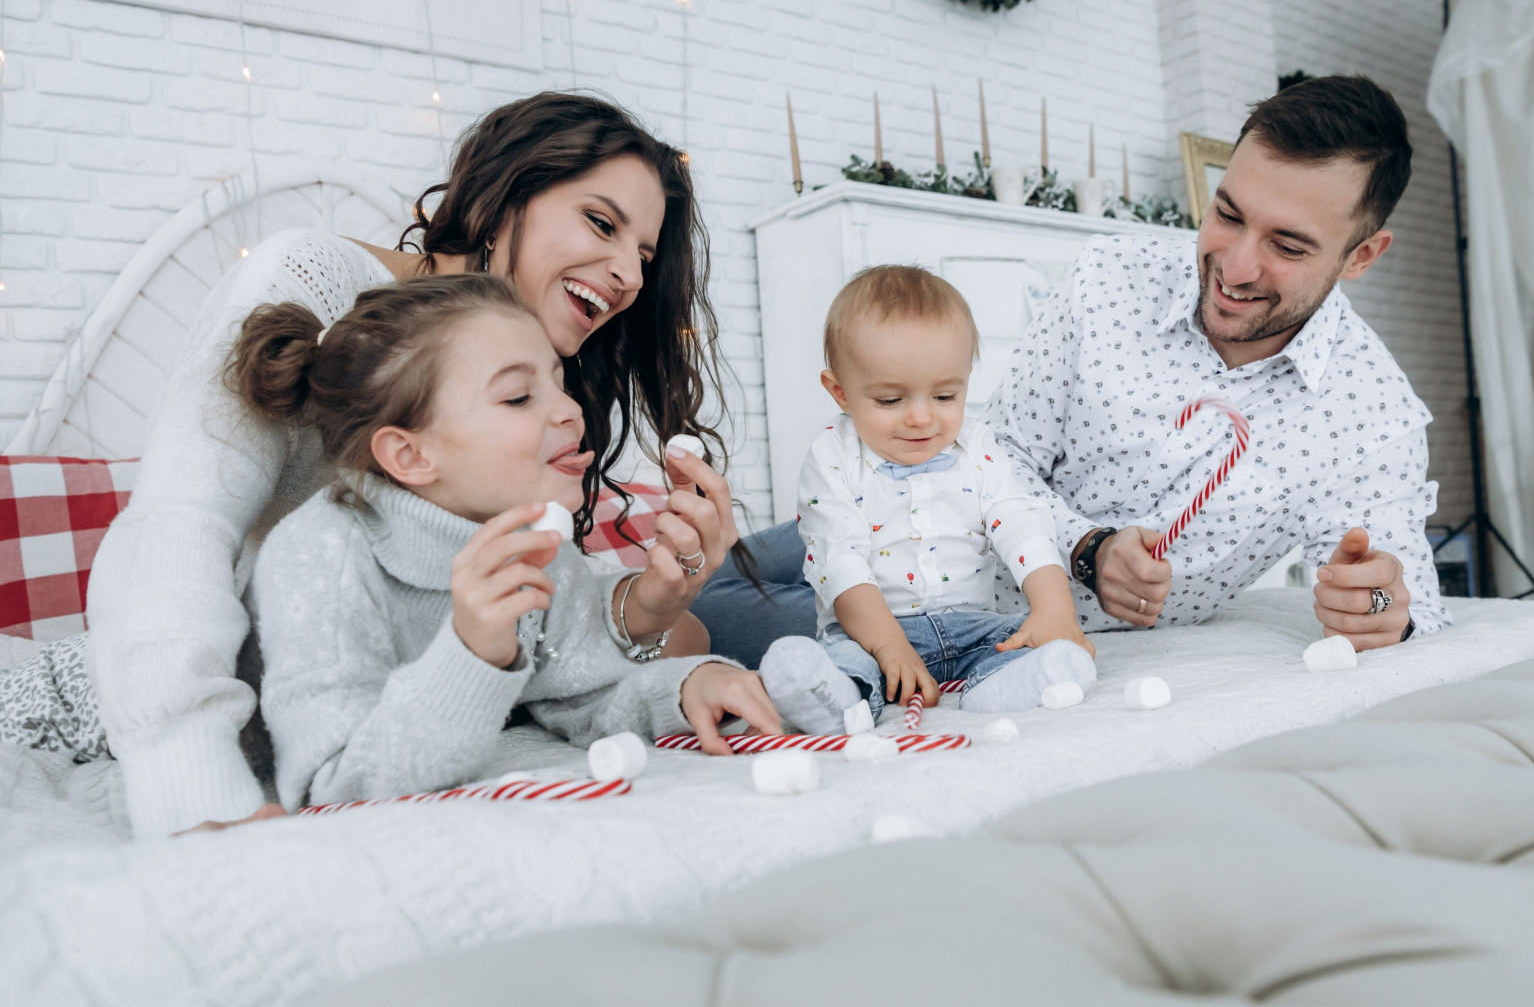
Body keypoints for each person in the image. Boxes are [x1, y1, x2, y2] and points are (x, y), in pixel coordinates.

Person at [77, 93, 743, 838]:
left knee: (692, 636)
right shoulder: (310, 280)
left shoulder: (537, 368)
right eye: (600, 222)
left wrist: (653, 601)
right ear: (502, 197)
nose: (627, 275)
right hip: (259, 678)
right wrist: (192, 786)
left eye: (644, 259)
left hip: (415, 683)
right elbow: (175, 531)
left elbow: (549, 635)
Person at [696, 74, 1450, 661]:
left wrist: (1377, 607)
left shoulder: (1369, 411)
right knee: (708, 567)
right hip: (889, 492)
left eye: (1288, 246)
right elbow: (1003, 452)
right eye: (1227, 214)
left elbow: (1405, 596)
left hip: (951, 605)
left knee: (700, 619)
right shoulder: (1110, 276)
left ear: (1361, 257)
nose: (1236, 264)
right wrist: (1089, 549)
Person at [229, 275, 779, 807]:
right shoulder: (319, 557)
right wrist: (472, 653)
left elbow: (579, 695)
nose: (570, 410)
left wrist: (682, 691)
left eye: (560, 385)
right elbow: (335, 786)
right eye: (518, 397)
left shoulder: (533, 541)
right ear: (411, 455)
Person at [755, 267, 1096, 736]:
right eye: (891, 400)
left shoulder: (977, 445)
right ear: (840, 392)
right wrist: (889, 646)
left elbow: (1021, 524)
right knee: (844, 660)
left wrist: (1054, 610)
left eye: (944, 394)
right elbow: (839, 558)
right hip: (871, 631)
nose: (921, 417)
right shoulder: (832, 453)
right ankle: (836, 698)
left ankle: (999, 686)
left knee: (1023, 640)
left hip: (971, 624)